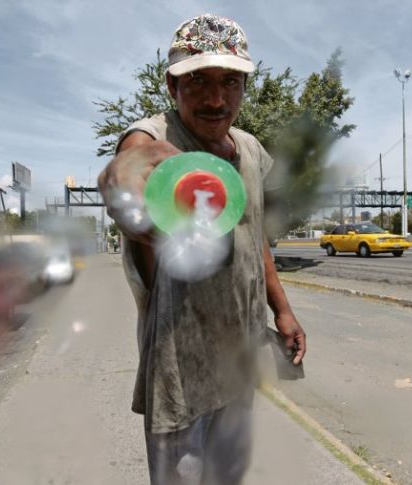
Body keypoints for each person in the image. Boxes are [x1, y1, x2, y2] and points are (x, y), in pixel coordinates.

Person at [98, 13, 306, 484]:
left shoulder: (250, 150)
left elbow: (256, 238)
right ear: (172, 87)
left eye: (230, 82)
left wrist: (284, 312)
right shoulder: (156, 137)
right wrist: (127, 189)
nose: (215, 99)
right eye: (197, 81)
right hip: (181, 366)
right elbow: (127, 170)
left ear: (244, 88)